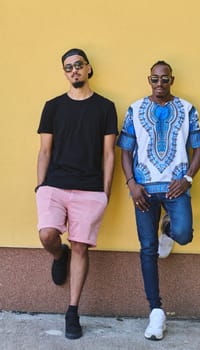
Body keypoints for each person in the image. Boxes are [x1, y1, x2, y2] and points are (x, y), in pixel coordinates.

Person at [117, 60, 200, 340]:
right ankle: (156, 312)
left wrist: (188, 179)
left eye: (165, 79)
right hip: (143, 191)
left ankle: (168, 229)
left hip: (174, 188)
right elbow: (125, 151)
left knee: (184, 234)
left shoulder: (187, 108)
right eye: (155, 79)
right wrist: (131, 184)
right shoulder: (134, 109)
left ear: (172, 80)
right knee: (147, 248)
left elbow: (199, 148)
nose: (160, 84)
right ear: (149, 80)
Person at [35, 48, 118, 340]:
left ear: (88, 68)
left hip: (90, 188)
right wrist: (40, 186)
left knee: (81, 246)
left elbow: (109, 155)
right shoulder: (53, 106)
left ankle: (72, 312)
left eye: (78, 65)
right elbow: (44, 150)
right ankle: (59, 255)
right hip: (55, 184)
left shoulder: (105, 107)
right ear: (65, 72)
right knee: (47, 234)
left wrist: (105, 192)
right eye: (68, 67)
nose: (74, 71)